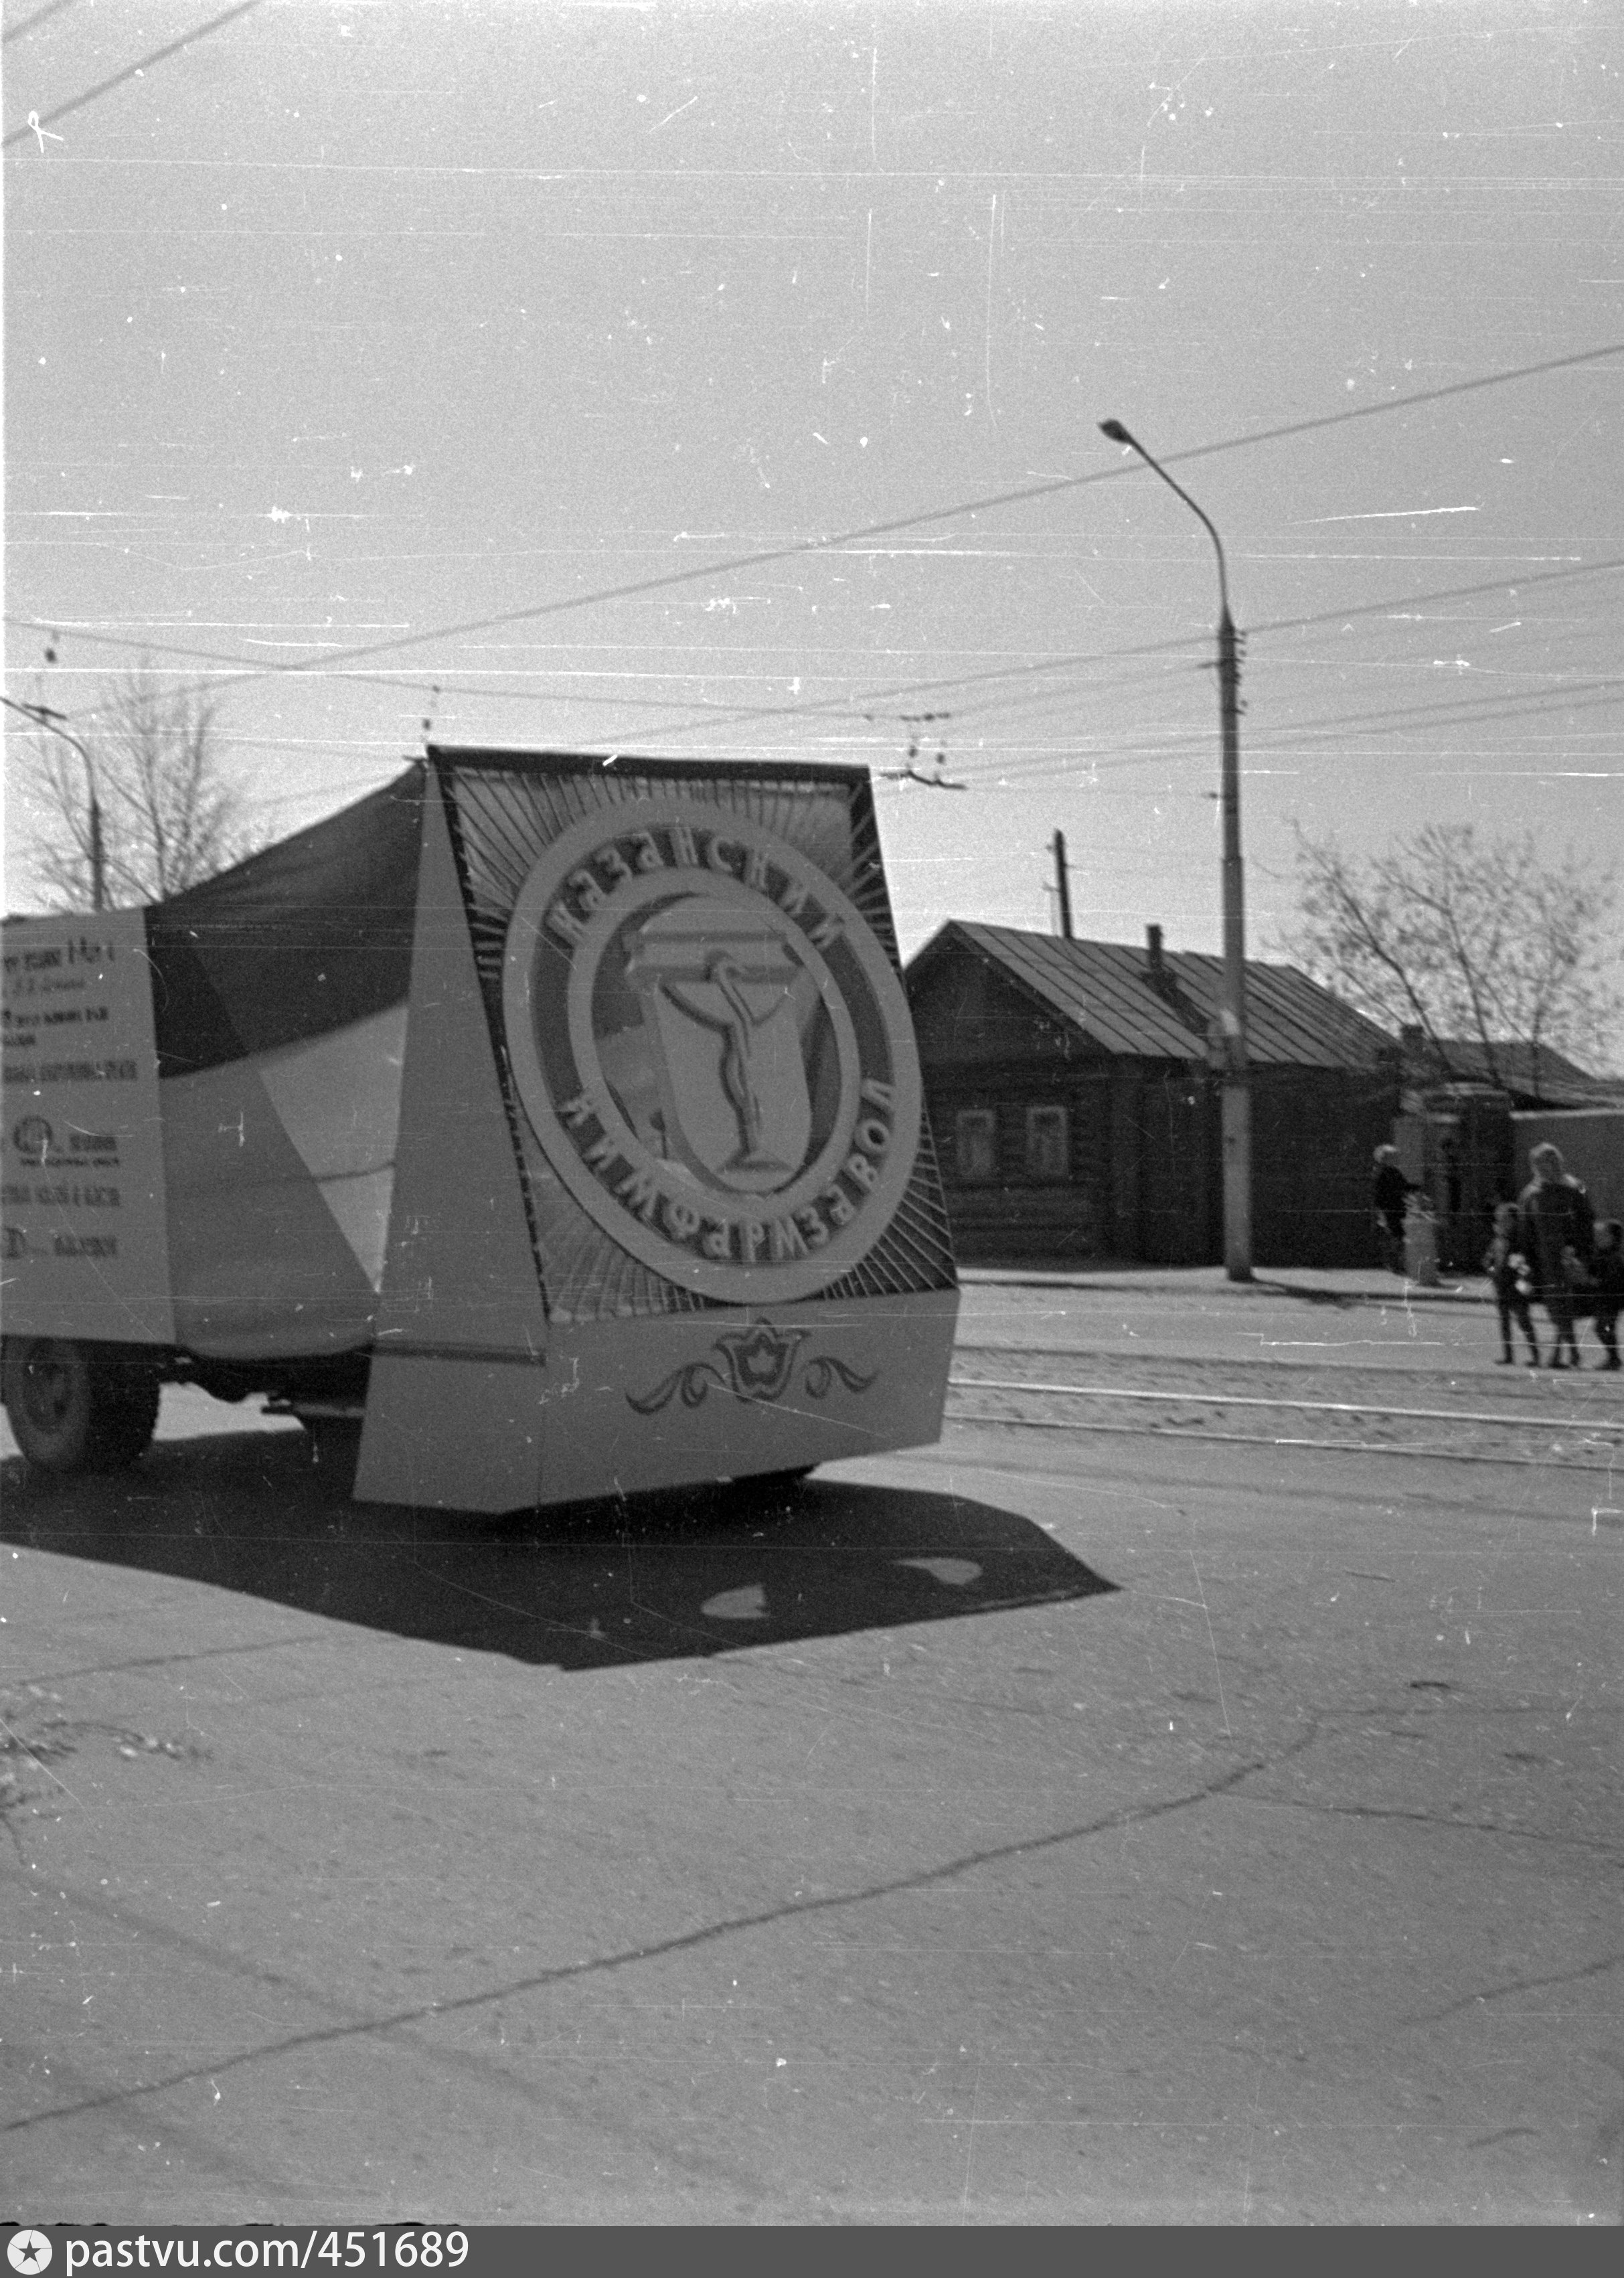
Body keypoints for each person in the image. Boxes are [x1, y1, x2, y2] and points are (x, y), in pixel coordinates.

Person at [1516, 1143, 1595, 1370]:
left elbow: (1586, 1222)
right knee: (1555, 1306)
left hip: (1567, 1255)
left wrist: (1581, 1252)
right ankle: (1569, 1353)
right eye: (1541, 1163)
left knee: (1562, 1304)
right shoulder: (1530, 1193)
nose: (1546, 1167)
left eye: (1551, 1161)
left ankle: (1564, 1354)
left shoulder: (1574, 1188)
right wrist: (1525, 1260)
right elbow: (1525, 1229)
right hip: (1542, 1257)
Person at [1483, 1201, 1540, 1368]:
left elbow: (1525, 1263)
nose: (1501, 1223)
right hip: (1501, 1285)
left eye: (1505, 1219)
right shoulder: (1498, 1240)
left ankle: (1535, 1356)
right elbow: (1489, 1259)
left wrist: (1522, 1278)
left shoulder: (1519, 1240)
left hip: (1516, 1286)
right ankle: (1508, 1356)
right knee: (1504, 1322)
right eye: (1500, 1219)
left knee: (1523, 1321)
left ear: (1514, 1221)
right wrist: (1490, 1268)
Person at [1371, 1145, 1413, 1274]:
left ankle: (1396, 1263)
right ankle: (1394, 1263)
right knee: (1395, 1235)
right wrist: (1380, 1211)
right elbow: (1379, 1193)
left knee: (1397, 1235)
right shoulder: (1383, 1173)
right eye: (1393, 1157)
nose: (1396, 1159)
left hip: (1396, 1207)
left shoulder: (1392, 1171)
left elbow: (1404, 1186)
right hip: (1390, 1208)